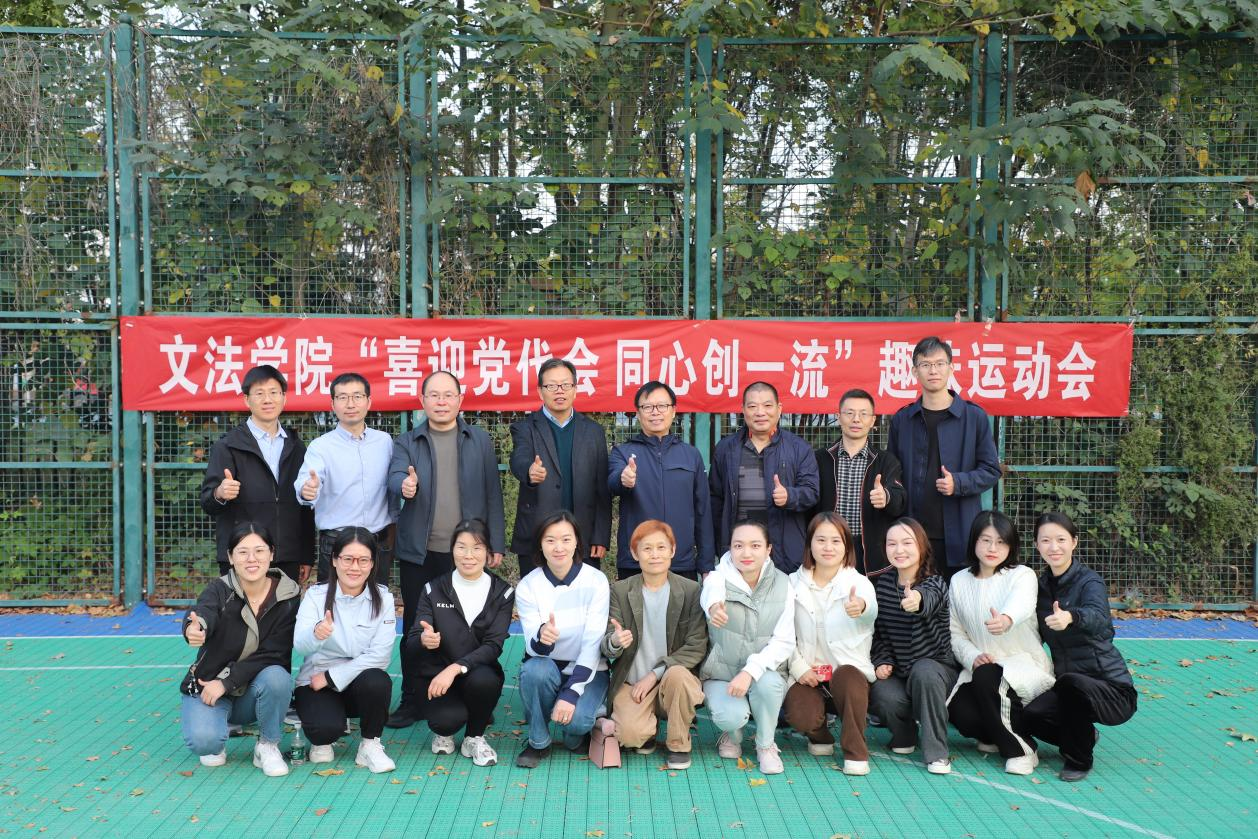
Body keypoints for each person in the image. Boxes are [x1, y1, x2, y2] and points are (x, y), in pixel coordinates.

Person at [385, 370, 506, 729]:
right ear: (422, 401)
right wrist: (404, 486)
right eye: (434, 395)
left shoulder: (478, 440)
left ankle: (474, 695)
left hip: (467, 554)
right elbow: (395, 476)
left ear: (460, 400)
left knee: (471, 626)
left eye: (448, 395)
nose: (441, 402)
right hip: (420, 552)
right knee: (417, 627)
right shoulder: (407, 441)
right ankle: (412, 699)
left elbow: (493, 492)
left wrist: (494, 542)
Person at [1023, 512, 1137, 782]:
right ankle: (1084, 735)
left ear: (1074, 542)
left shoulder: (1089, 582)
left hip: (1111, 689)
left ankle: (1079, 758)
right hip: (1069, 689)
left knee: (1071, 682)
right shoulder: (1039, 588)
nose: (1054, 547)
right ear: (1037, 545)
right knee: (1028, 716)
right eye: (1046, 540)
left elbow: (1102, 622)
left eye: (1061, 539)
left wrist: (1072, 616)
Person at [179, 523, 299, 777]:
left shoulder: (288, 596)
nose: (251, 559)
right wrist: (194, 627)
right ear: (231, 557)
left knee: (278, 677)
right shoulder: (218, 589)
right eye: (243, 552)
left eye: (259, 551)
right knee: (205, 743)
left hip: (247, 691)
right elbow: (203, 612)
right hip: (209, 687)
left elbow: (274, 653)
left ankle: (267, 745)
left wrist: (226, 682)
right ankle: (217, 727)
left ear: (271, 554)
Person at [946, 511, 1054, 775]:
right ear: (974, 541)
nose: (992, 548)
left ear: (1011, 545)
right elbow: (954, 632)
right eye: (985, 540)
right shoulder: (959, 580)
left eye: (1001, 542)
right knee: (959, 711)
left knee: (988, 678)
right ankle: (994, 734)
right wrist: (972, 656)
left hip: (1022, 664)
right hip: (980, 666)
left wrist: (1006, 619)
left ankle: (1022, 750)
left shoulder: (1022, 575)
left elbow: (1022, 603)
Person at [887, 337, 1000, 579]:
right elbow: (892, 475)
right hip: (913, 535)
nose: (933, 371)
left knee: (957, 599)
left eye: (940, 364)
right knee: (914, 598)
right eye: (926, 365)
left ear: (951, 368)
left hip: (960, 532)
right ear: (915, 371)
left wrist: (958, 483)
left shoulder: (973, 417)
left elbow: (991, 470)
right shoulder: (903, 420)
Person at [601, 520, 708, 770]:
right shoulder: (620, 590)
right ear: (635, 553)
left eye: (661, 547)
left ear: (672, 550)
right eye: (647, 548)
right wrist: (615, 641)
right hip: (633, 682)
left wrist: (654, 675)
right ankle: (647, 730)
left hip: (672, 679)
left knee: (678, 676)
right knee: (629, 736)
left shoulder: (691, 590)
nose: (655, 554)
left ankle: (679, 743)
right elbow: (607, 643)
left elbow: (696, 645)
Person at [408, 519, 515, 767]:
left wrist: (455, 668)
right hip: (436, 676)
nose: (468, 555)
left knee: (485, 681)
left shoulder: (503, 592)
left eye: (477, 548)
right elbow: (412, 640)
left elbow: (493, 645)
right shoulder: (433, 589)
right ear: (452, 550)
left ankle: (474, 737)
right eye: (461, 547)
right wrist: (424, 639)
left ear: (488, 552)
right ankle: (444, 730)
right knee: (446, 722)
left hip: (475, 672)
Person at [292, 527, 397, 773]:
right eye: (348, 559)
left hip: (349, 683)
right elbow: (300, 645)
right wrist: (316, 634)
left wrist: (331, 677)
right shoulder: (315, 596)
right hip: (315, 682)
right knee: (323, 734)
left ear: (373, 563)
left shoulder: (384, 599)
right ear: (334, 560)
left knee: (378, 681)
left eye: (363, 560)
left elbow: (380, 656)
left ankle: (370, 744)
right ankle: (328, 726)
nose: (354, 567)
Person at [199, 365, 314, 582]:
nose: (267, 400)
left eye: (274, 392)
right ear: (247, 400)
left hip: (287, 556)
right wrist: (220, 493)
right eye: (259, 393)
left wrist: (306, 555)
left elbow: (304, 507)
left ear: (284, 398)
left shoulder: (296, 447)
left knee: (286, 606)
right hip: (243, 556)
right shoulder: (228, 446)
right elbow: (207, 502)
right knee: (241, 606)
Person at [514, 511, 611, 768]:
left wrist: (571, 692)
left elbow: (593, 643)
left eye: (566, 539)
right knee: (534, 671)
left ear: (577, 542)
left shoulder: (596, 581)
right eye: (550, 540)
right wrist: (542, 637)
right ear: (540, 544)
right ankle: (538, 741)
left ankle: (575, 732)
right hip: (549, 666)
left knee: (577, 724)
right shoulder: (528, 585)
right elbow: (532, 648)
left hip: (589, 670)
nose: (559, 548)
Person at [784, 513, 879, 775]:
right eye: (821, 540)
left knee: (848, 676)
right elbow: (782, 635)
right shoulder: (791, 583)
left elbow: (870, 611)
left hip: (847, 677)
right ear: (809, 544)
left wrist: (860, 607)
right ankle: (820, 734)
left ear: (847, 546)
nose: (828, 547)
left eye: (836, 541)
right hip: (808, 674)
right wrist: (799, 667)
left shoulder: (859, 583)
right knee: (800, 715)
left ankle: (856, 752)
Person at [699, 520, 795, 775]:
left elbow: (784, 641)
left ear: (768, 549)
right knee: (730, 716)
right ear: (730, 549)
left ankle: (766, 745)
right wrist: (714, 608)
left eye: (755, 545)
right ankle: (732, 734)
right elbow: (711, 593)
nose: (746, 553)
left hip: (763, 672)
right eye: (738, 546)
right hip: (722, 672)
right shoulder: (718, 578)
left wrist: (750, 671)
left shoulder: (784, 584)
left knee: (769, 685)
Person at [869, 517, 959, 774]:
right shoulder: (883, 585)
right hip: (900, 672)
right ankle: (905, 733)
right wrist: (882, 660)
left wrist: (916, 601)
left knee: (924, 671)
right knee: (882, 692)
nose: (899, 550)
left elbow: (926, 599)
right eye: (892, 544)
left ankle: (937, 753)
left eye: (907, 543)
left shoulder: (935, 583)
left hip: (936, 669)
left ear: (921, 546)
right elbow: (879, 634)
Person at [509, 358, 612, 574]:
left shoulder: (593, 432)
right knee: (537, 595)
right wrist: (529, 471)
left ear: (575, 389)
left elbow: (601, 488)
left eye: (565, 385)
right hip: (537, 536)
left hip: (583, 537)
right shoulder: (525, 428)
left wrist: (600, 535)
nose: (559, 391)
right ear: (540, 391)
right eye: (552, 386)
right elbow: (519, 458)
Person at [295, 373, 395, 585]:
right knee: (333, 602)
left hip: (378, 542)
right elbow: (306, 481)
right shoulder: (321, 446)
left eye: (357, 396)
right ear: (333, 404)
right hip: (337, 543)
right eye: (342, 397)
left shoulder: (384, 442)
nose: (350, 404)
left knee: (377, 601)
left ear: (368, 401)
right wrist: (307, 490)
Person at [608, 381, 714, 580]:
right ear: (638, 413)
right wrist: (624, 479)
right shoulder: (622, 453)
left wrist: (706, 564)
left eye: (662, 406)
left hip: (681, 562)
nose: (655, 412)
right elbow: (613, 482)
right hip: (635, 562)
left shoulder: (691, 455)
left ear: (673, 411)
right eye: (647, 407)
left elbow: (703, 511)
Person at [709, 382, 819, 573]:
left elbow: (812, 491)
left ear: (779, 409)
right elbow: (715, 501)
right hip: (740, 551)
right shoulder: (726, 448)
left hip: (784, 553)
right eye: (752, 406)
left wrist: (790, 496)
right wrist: (721, 544)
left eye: (767, 405)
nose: (760, 412)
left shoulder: (799, 448)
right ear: (743, 410)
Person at [812, 388, 907, 575]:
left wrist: (886, 497)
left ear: (872, 421)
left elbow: (900, 500)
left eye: (863, 414)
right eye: (850, 413)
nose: (856, 419)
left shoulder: (886, 461)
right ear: (839, 417)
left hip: (870, 552)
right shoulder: (820, 459)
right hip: (828, 547)